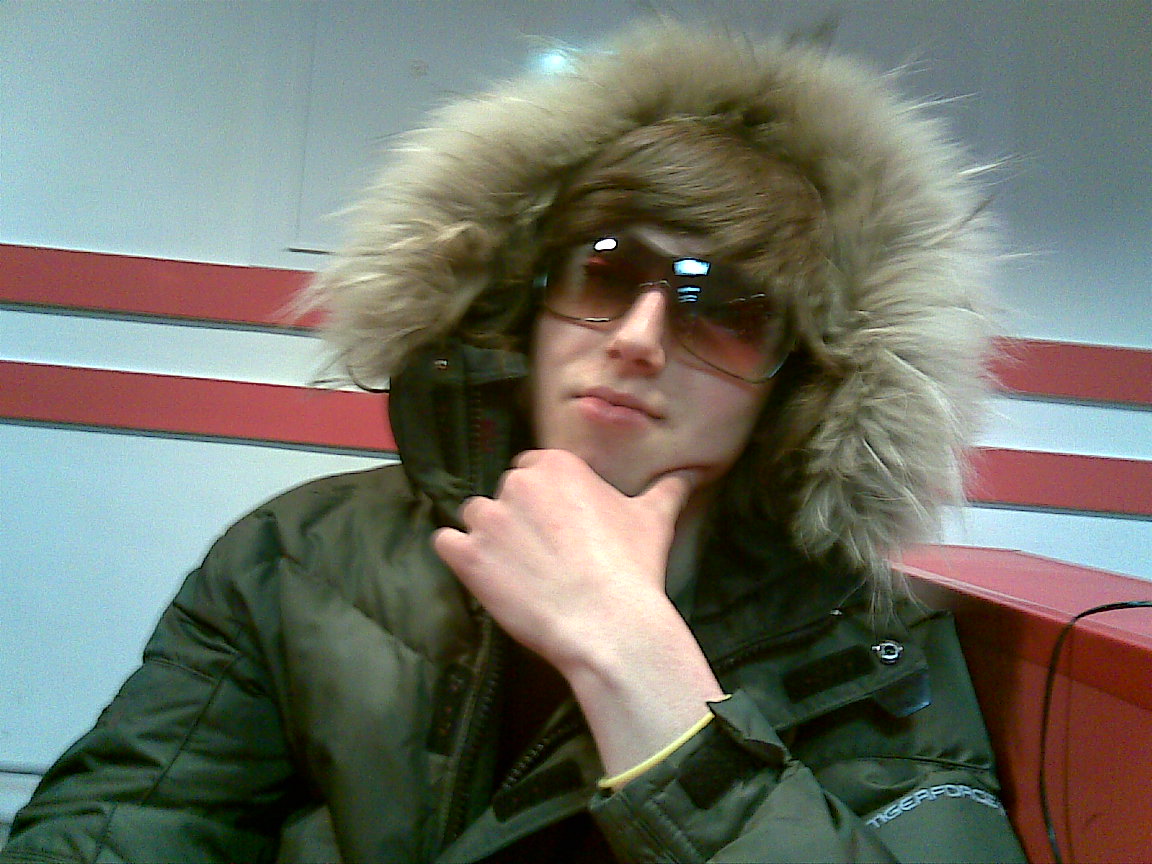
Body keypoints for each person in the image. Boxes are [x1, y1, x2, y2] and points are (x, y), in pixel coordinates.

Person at [3, 22, 1027, 864]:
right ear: (525, 304)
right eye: (604, 270)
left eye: (722, 309)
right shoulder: (300, 557)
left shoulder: (869, 654)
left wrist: (645, 674)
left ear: (796, 380)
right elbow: (117, 828)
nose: (638, 338)